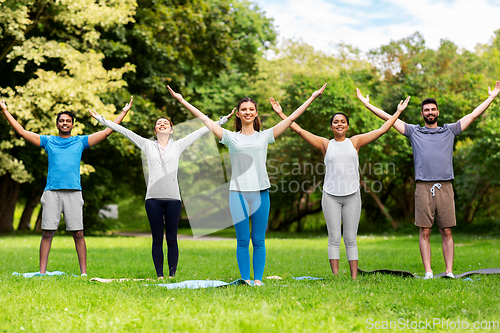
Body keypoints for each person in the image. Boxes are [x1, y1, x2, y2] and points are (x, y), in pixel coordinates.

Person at [168, 84, 327, 286]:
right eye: (244, 109)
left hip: (261, 193)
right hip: (238, 194)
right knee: (243, 240)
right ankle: (245, 280)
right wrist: (181, 100)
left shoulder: (265, 136)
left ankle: (258, 280)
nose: (247, 112)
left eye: (251, 109)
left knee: (259, 241)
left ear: (256, 113)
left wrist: (312, 97)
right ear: (239, 114)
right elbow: (206, 121)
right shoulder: (230, 137)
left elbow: (291, 119)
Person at [357, 80, 500, 279]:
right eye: (426, 110)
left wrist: (491, 97)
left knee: (447, 231)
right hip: (423, 187)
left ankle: (449, 272)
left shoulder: (449, 130)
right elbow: (390, 119)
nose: (430, 112)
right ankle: (428, 272)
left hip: (445, 186)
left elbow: (473, 115)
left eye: (433, 109)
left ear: (438, 112)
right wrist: (367, 105)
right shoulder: (414, 132)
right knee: (424, 231)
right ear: (422, 114)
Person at [270, 95, 410, 279]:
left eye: (342, 122)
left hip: (352, 195)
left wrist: (398, 112)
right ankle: (336, 277)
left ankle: (353, 277)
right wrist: (281, 114)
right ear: (331, 127)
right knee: (334, 238)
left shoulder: (355, 142)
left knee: (351, 239)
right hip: (331, 196)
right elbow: (299, 130)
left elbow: (382, 129)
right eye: (335, 122)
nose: (339, 124)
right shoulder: (325, 144)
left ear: (347, 126)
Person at [89, 107, 234, 279]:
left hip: (173, 199)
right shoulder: (147, 144)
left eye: (166, 123)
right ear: (155, 130)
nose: (162, 124)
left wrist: (222, 120)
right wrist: (101, 119)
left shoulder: (178, 145)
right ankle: (160, 276)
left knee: (172, 239)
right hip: (153, 199)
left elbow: (201, 131)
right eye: (159, 123)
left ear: (171, 130)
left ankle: (172, 275)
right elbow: (124, 131)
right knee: (157, 238)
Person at [0, 96, 133, 276]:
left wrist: (123, 113)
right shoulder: (49, 141)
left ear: (72, 125)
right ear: (57, 125)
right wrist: (5, 111)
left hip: (74, 193)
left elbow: (107, 132)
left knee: (78, 233)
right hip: (52, 193)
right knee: (47, 233)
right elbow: (23, 132)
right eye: (61, 121)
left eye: (68, 121)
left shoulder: (80, 141)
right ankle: (42, 273)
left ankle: (83, 273)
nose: (64, 123)